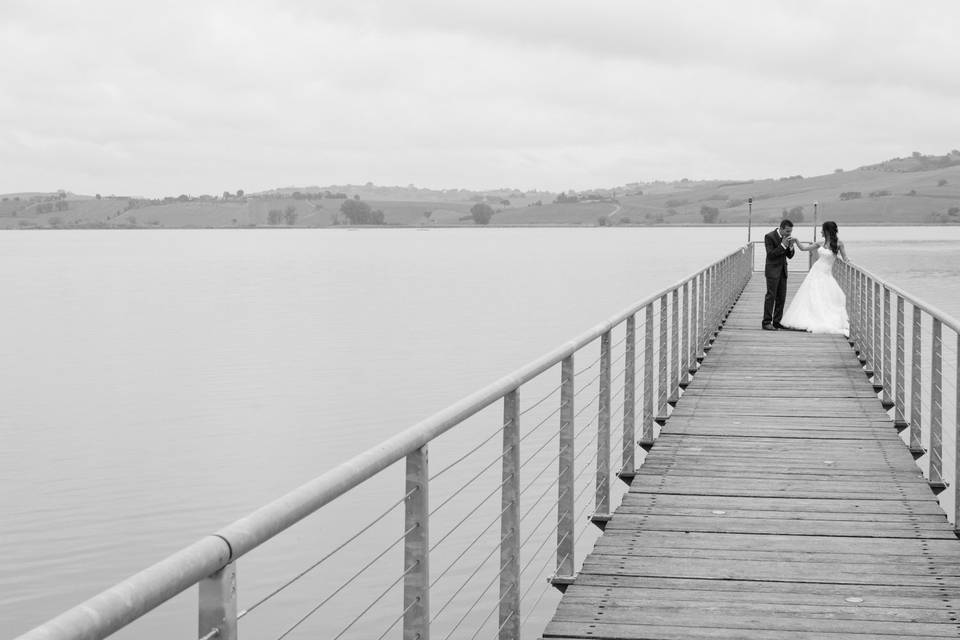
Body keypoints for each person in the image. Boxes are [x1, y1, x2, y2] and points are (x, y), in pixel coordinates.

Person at [779, 221, 850, 335]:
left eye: (822, 230)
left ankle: (822, 318)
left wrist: (849, 262)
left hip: (826, 274)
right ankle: (810, 317)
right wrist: (796, 241)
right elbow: (804, 248)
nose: (821, 231)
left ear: (827, 231)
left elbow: (845, 258)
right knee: (812, 295)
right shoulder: (820, 243)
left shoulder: (839, 244)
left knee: (825, 296)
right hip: (815, 272)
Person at [762, 219, 795, 330]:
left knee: (781, 297)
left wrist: (790, 247)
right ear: (781, 228)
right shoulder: (769, 237)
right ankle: (766, 322)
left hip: (783, 271)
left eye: (790, 231)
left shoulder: (787, 238)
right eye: (787, 231)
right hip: (772, 271)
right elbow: (770, 255)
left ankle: (777, 321)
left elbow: (790, 256)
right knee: (771, 296)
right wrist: (783, 245)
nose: (789, 234)